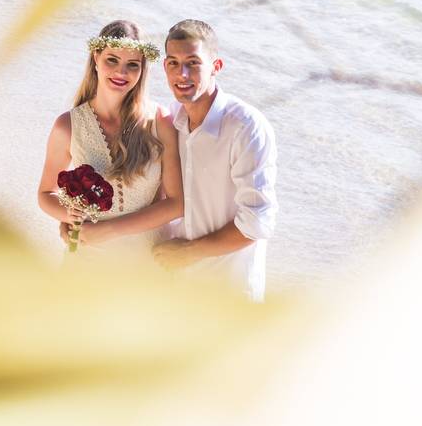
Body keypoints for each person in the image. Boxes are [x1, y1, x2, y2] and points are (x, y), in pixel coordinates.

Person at [37, 20, 183, 268]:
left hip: (147, 259)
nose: (121, 73)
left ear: (142, 69)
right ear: (96, 57)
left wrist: (110, 229)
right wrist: (69, 216)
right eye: (112, 60)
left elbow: (177, 203)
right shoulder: (68, 126)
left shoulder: (161, 121)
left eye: (132, 65)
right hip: (87, 258)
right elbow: (45, 193)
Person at [152, 20, 278, 302]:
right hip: (175, 289)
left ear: (216, 66)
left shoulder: (245, 127)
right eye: (173, 63)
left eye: (193, 63)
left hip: (228, 293)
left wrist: (187, 253)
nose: (181, 74)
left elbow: (256, 224)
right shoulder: (172, 120)